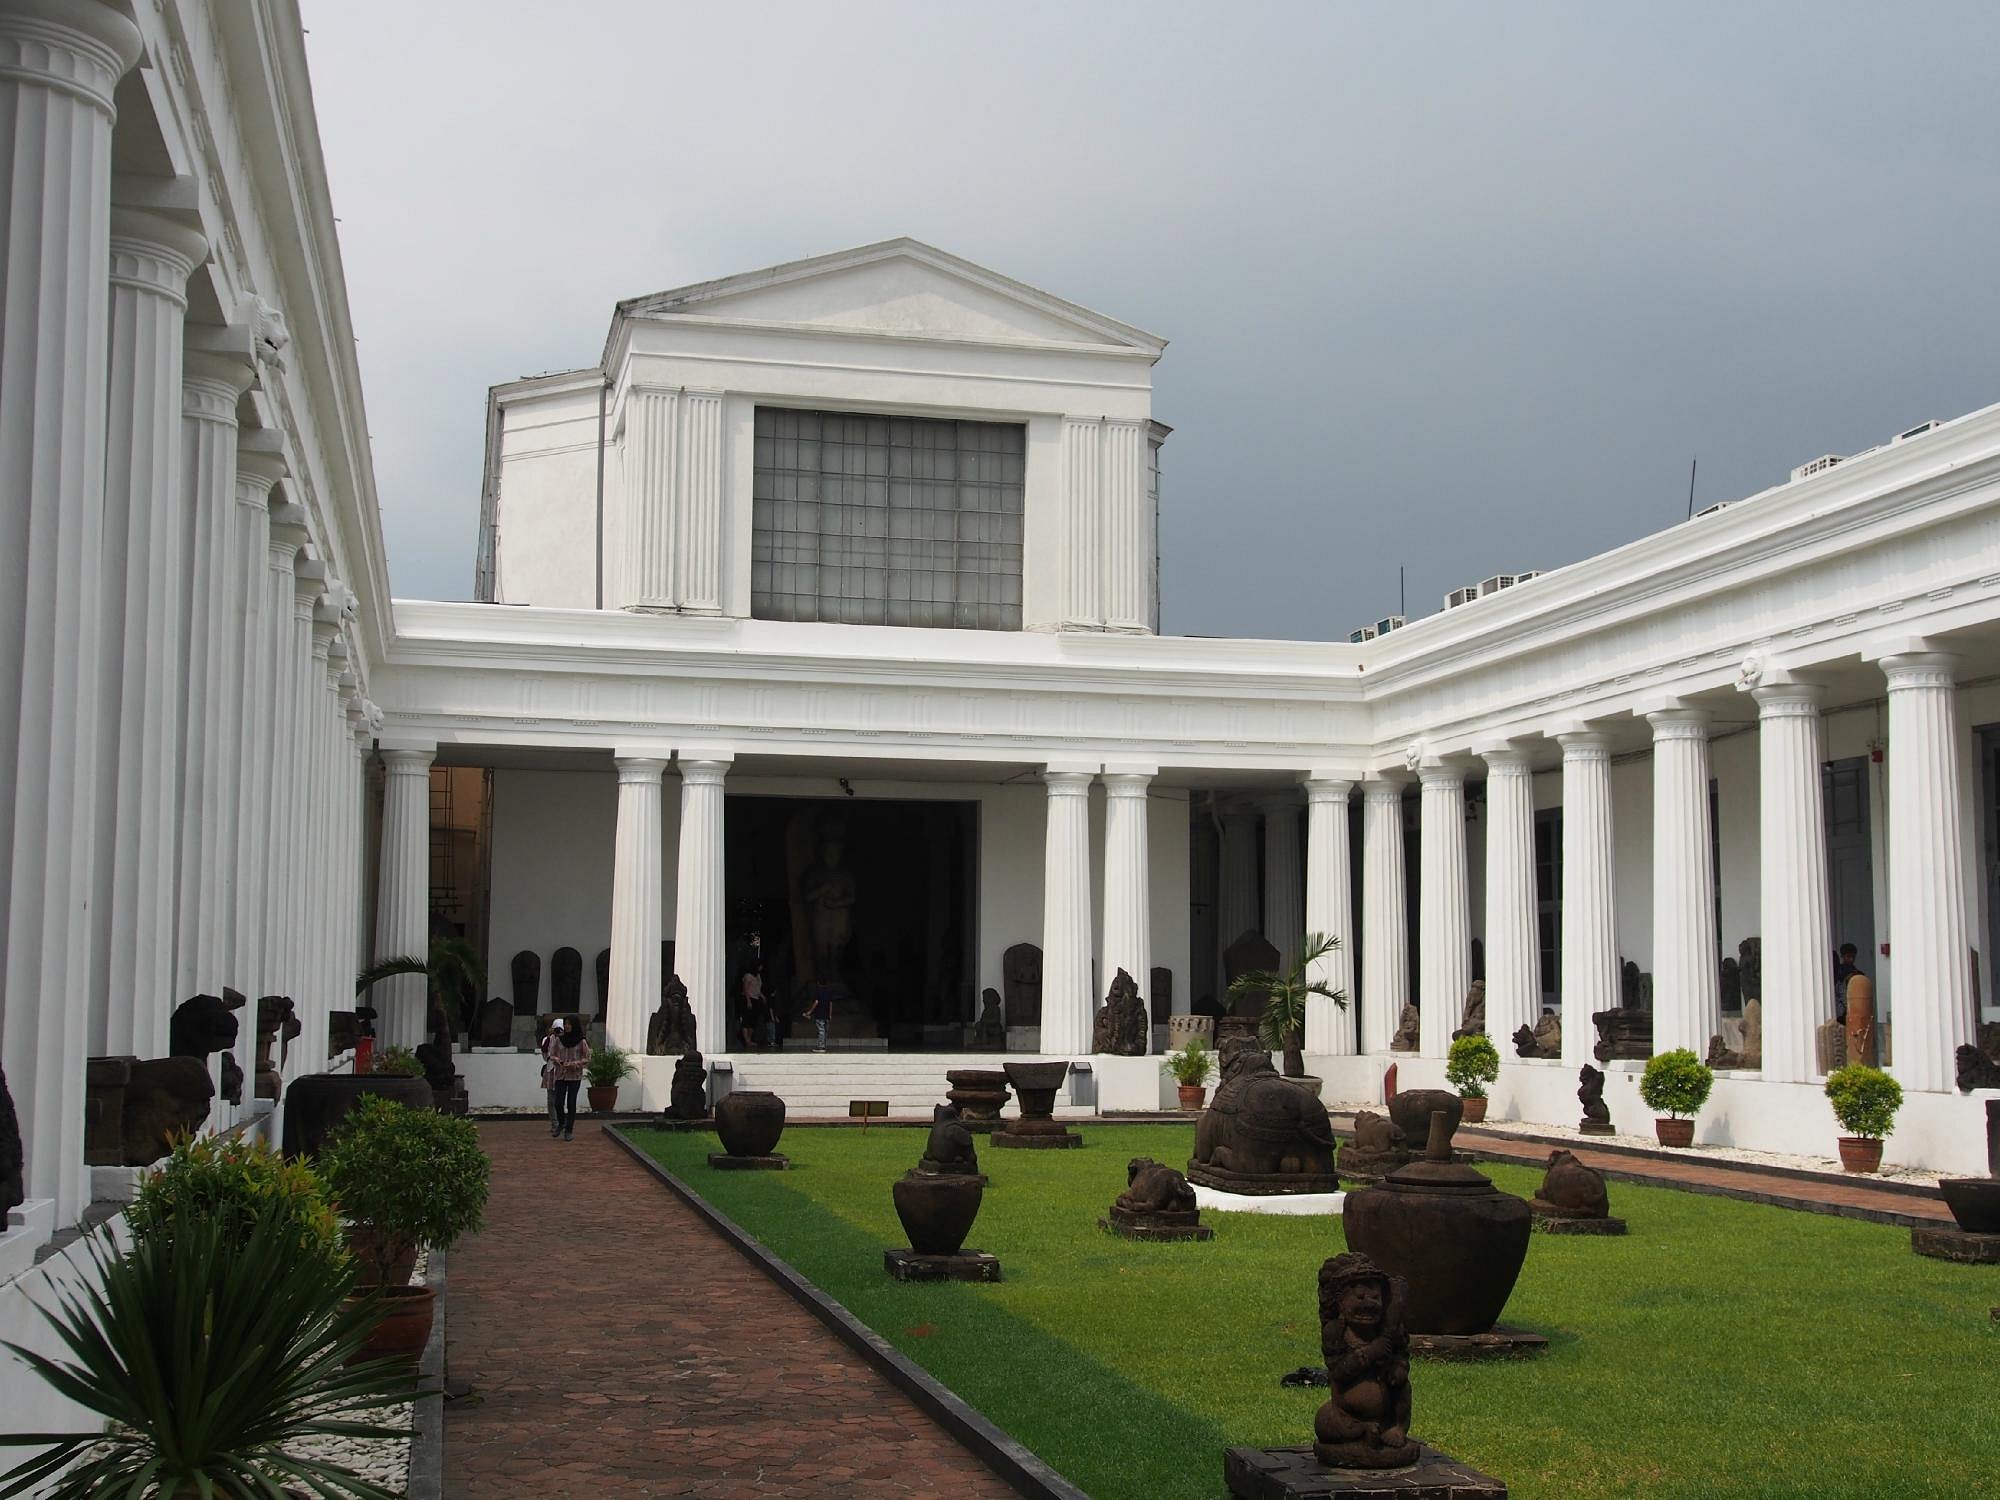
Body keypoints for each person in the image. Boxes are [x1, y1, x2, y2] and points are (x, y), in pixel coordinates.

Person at [546, 1017, 591, 1141]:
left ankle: (569, 1130)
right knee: (558, 1102)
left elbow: (587, 1057)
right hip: (560, 1075)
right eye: (565, 1024)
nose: (566, 1026)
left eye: (569, 1024)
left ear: (574, 1025)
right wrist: (558, 1061)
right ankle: (562, 1122)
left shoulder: (581, 1041)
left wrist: (575, 1064)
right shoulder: (559, 1040)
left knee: (571, 1103)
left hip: (574, 1076)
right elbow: (551, 1053)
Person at [801, 978, 835, 1053]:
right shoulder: (829, 992)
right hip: (827, 1015)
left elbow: (816, 1003)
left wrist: (809, 1012)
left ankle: (821, 1047)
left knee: (821, 1030)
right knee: (825, 1031)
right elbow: (830, 1004)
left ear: (818, 983)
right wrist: (830, 1014)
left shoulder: (818, 991)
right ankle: (824, 1046)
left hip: (819, 1014)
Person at [1833, 943, 1864, 1023]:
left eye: (1853, 957)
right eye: (1848, 956)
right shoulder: (1837, 973)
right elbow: (1839, 992)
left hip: (1855, 1009)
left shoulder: (1858, 973)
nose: (1851, 959)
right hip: (1841, 1012)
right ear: (1842, 956)